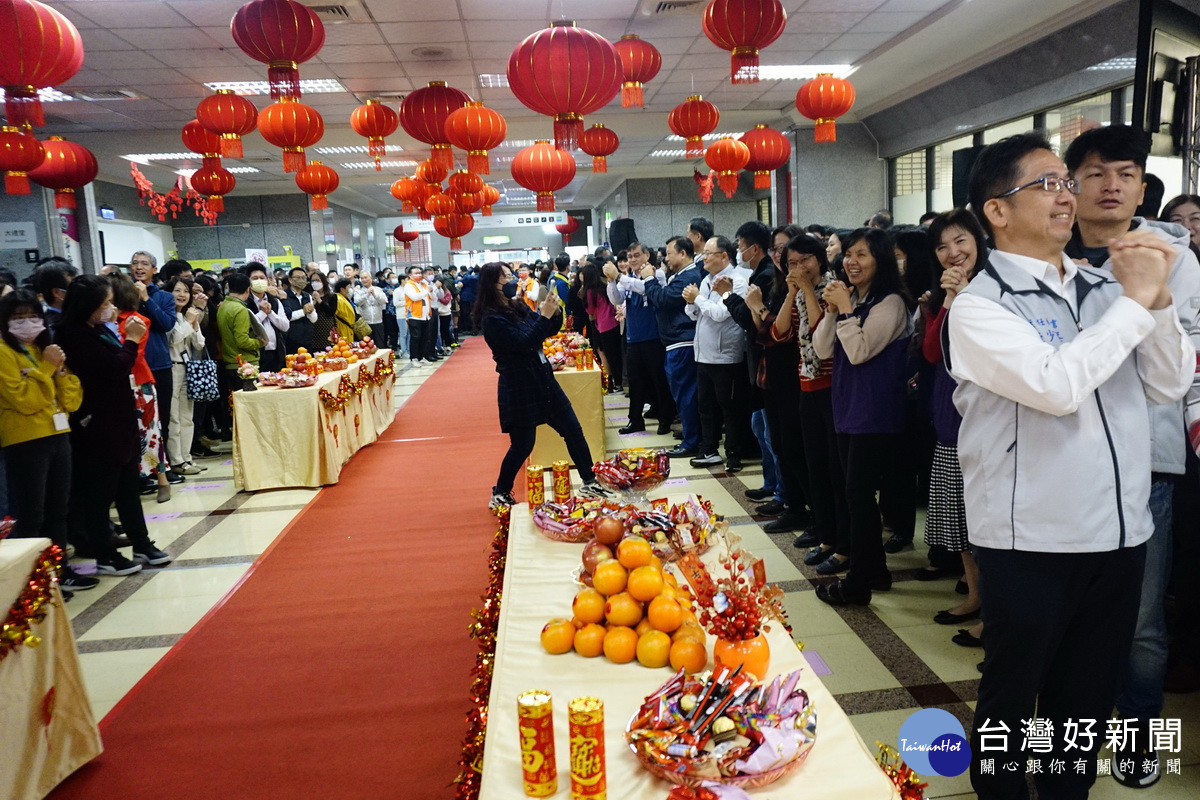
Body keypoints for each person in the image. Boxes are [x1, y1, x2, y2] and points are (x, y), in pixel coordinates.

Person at [949, 132, 1192, 800]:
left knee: (1080, 706)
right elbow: (1057, 386)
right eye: (1047, 184)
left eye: (1066, 182)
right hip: (1030, 539)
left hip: (1117, 535)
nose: (1067, 195)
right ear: (997, 211)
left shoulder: (1102, 286)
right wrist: (1135, 303)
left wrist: (1159, 300)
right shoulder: (979, 307)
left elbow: (1169, 384)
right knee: (1011, 699)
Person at [1063, 124, 1200, 789]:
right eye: (1096, 172)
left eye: (1125, 173)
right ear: (1073, 185)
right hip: (1062, 462)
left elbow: (1183, 357)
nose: (1112, 184)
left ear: (1143, 185)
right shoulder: (1042, 257)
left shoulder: (1172, 255)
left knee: (1142, 618)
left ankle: (1140, 733)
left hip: (1144, 463)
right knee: (1067, 614)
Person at [812, 227, 912, 607]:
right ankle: (876, 571)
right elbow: (823, 348)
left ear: (880, 260)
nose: (851, 262)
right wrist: (835, 309)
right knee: (856, 495)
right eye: (849, 254)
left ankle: (858, 582)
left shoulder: (892, 304)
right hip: (848, 407)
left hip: (876, 411)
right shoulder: (851, 297)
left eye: (862, 255)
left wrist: (848, 311)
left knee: (858, 494)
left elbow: (858, 352)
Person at [58, 276, 172, 575]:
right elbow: (114, 367)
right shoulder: (72, 335)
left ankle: (142, 543)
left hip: (120, 418)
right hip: (97, 424)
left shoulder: (96, 330)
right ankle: (105, 554)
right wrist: (132, 341)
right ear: (88, 306)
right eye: (104, 303)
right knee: (100, 494)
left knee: (127, 488)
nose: (110, 308)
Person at [473, 262, 611, 509]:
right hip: (519, 385)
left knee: (573, 429)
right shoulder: (492, 319)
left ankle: (589, 480)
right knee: (522, 445)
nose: (513, 279)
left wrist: (554, 312)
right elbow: (524, 343)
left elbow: (545, 330)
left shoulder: (516, 306)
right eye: (507, 276)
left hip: (542, 379)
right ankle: (501, 491)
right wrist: (544, 316)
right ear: (493, 283)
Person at [919, 210, 989, 643]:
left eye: (960, 241)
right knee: (961, 520)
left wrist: (965, 299)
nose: (953, 253)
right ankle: (977, 596)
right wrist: (948, 300)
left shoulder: (994, 289)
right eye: (942, 247)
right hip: (949, 413)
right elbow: (931, 351)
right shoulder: (942, 292)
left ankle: (994, 613)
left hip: (983, 419)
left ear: (979, 239)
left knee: (985, 523)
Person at [0, 290, 93, 592]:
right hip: (25, 440)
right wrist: (47, 371)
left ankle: (58, 572)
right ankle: (31, 583)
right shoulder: (4, 351)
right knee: (30, 514)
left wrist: (57, 371)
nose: (27, 323)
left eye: (33, 316)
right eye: (18, 317)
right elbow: (24, 400)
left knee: (58, 510)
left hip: (58, 434)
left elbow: (70, 400)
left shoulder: (45, 349)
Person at [773, 236, 851, 562]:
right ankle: (826, 534)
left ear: (819, 259)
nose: (799, 268)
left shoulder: (833, 290)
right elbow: (779, 332)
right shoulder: (800, 294)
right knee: (815, 467)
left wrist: (805, 290)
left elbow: (823, 334)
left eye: (805, 260)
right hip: (806, 385)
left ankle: (842, 540)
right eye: (792, 263)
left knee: (836, 471)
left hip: (832, 386)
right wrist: (792, 293)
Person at [683, 236, 752, 471]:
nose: (703, 258)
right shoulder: (706, 280)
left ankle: (734, 455)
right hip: (703, 354)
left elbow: (722, 313)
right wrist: (692, 302)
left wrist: (698, 299)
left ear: (724, 256)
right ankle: (709, 450)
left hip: (726, 356)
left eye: (708, 253)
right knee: (706, 406)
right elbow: (696, 314)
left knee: (729, 408)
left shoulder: (739, 280)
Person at [604, 243, 675, 435]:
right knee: (634, 382)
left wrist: (619, 276)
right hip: (633, 337)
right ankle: (635, 420)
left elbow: (643, 288)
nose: (633, 260)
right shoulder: (628, 278)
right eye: (630, 256)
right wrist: (612, 280)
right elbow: (616, 299)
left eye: (636, 255)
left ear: (647, 256)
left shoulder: (655, 274)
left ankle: (665, 418)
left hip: (653, 336)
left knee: (658, 380)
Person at [643, 236, 704, 458]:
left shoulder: (689, 276)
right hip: (675, 341)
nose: (665, 257)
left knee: (686, 393)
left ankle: (692, 441)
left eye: (669, 253)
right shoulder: (679, 275)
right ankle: (691, 435)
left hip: (683, 341)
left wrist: (649, 280)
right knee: (682, 393)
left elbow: (664, 299)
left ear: (683, 253)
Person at [131, 251, 181, 486]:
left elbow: (166, 324)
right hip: (133, 365)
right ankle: (142, 471)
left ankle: (164, 466)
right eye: (135, 263)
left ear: (154, 269)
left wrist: (146, 300)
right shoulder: (123, 294)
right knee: (138, 421)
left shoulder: (163, 297)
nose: (139, 267)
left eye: (144, 264)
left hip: (159, 362)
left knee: (163, 417)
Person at [165, 276, 208, 478]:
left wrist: (195, 323)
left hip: (188, 368)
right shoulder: (167, 316)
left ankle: (186, 456)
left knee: (186, 417)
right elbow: (173, 340)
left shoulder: (186, 316)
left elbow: (199, 344)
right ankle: (176, 460)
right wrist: (189, 322)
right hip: (172, 368)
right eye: (177, 290)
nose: (182, 295)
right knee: (174, 418)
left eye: (185, 291)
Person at [217, 272, 264, 391]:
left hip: (230, 361)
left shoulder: (223, 306)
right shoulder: (240, 309)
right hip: (244, 364)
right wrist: (260, 342)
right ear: (248, 290)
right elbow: (242, 341)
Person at [581, 260, 623, 392]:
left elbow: (590, 311)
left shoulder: (589, 292)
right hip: (614, 322)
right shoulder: (604, 286)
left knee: (608, 355)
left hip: (604, 326)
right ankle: (619, 382)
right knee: (616, 354)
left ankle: (616, 383)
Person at [245, 263, 290, 373]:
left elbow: (285, 326)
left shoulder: (274, 300)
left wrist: (270, 313)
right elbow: (247, 326)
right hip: (257, 354)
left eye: (262, 278)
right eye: (255, 278)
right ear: (248, 281)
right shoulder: (245, 302)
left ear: (268, 280)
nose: (259, 281)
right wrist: (262, 313)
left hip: (276, 352)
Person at [31, 257, 77, 332]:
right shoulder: (53, 326)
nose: (79, 290)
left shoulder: (73, 316)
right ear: (57, 293)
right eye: (74, 286)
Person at [403, 266, 436, 365]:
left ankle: (422, 357)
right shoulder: (409, 285)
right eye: (416, 273)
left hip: (425, 315)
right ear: (410, 275)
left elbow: (432, 298)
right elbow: (415, 297)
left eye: (420, 273)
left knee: (425, 337)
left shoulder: (423, 284)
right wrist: (426, 291)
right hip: (414, 315)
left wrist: (431, 291)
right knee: (415, 337)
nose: (419, 275)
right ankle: (414, 358)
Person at [281, 267, 317, 355]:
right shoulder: (284, 295)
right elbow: (286, 317)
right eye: (298, 278)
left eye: (303, 278)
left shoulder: (307, 296)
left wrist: (311, 311)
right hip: (290, 341)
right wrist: (303, 312)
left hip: (307, 339)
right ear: (290, 280)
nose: (301, 280)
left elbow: (314, 319)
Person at [353, 271, 388, 345]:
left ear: (371, 278)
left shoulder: (378, 289)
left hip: (378, 322)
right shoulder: (358, 291)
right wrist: (367, 294)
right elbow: (357, 302)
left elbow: (384, 301)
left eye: (365, 277)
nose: (364, 280)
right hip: (365, 323)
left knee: (380, 345)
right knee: (366, 346)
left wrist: (374, 294)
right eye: (362, 278)